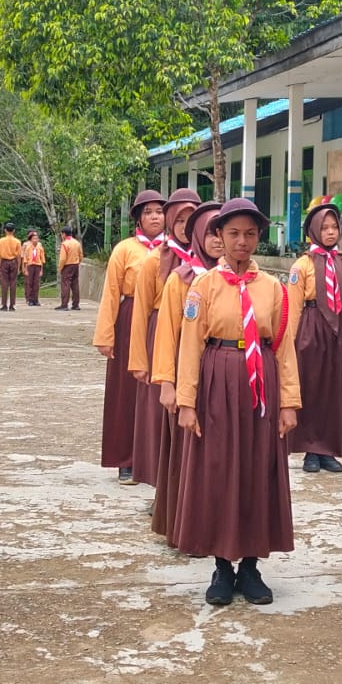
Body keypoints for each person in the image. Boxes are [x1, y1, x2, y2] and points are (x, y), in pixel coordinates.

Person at [174, 199, 299, 606]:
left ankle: (250, 566)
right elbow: (191, 345)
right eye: (232, 234)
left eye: (249, 234)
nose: (241, 242)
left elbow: (283, 347)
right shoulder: (203, 286)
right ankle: (222, 567)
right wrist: (187, 401)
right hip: (218, 379)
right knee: (219, 469)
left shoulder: (274, 289)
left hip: (260, 379)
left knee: (256, 469)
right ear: (218, 238)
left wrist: (288, 403)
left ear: (258, 238)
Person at [150, 202, 222, 547]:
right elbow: (167, 334)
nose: (218, 240)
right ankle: (186, 527)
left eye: (221, 232)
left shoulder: (236, 280)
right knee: (187, 458)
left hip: (223, 381)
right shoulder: (181, 281)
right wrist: (167, 382)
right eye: (210, 232)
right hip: (189, 378)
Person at [92, 190, 166, 483]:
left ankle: (158, 457)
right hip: (130, 316)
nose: (155, 217)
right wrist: (105, 335)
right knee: (127, 390)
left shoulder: (175, 250)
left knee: (160, 388)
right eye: (148, 212)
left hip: (162, 318)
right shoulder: (125, 249)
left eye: (159, 211)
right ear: (138, 217)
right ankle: (127, 457)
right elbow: (111, 291)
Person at [130, 188, 201, 489]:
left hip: (197, 340)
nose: (186, 226)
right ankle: (163, 489)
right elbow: (141, 311)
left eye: (192, 219)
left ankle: (191, 484)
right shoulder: (155, 260)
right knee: (160, 417)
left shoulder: (209, 260)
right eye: (180, 219)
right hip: (160, 335)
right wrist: (139, 360)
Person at [286, 202, 342, 474]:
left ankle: (329, 449)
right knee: (312, 388)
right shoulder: (302, 265)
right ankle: (310, 448)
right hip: (311, 328)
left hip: (339, 332)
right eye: (324, 228)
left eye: (334, 227)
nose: (330, 233)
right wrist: (289, 345)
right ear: (313, 232)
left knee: (335, 390)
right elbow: (293, 305)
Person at [0, 222, 23, 312]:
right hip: (13, 262)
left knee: (4, 283)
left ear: (5, 230)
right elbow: (19, 256)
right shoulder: (17, 241)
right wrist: (19, 266)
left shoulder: (1, 240)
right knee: (13, 283)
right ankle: (12, 305)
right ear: (14, 231)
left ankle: (4, 305)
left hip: (4, 262)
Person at [56, 226, 83, 310]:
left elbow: (63, 258)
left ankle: (64, 304)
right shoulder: (77, 243)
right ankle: (76, 304)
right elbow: (81, 255)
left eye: (61, 234)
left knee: (66, 284)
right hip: (75, 265)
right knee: (75, 284)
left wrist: (60, 267)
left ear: (64, 234)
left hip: (67, 265)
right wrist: (78, 262)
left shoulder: (65, 244)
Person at [22, 229, 45, 307]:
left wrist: (41, 269)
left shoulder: (40, 247)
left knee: (36, 283)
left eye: (37, 238)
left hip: (37, 265)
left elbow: (42, 259)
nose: (35, 240)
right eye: (34, 238)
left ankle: (36, 299)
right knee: (29, 283)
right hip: (30, 265)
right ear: (31, 240)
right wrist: (25, 268)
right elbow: (25, 258)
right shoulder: (28, 247)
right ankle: (30, 299)